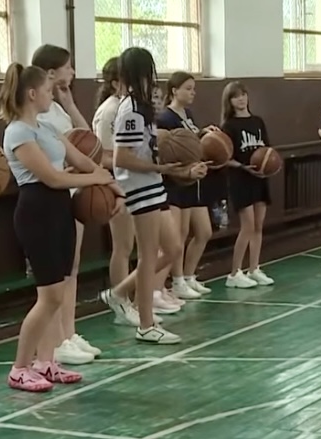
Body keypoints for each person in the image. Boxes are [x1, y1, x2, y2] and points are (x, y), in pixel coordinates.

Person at [0, 62, 120, 392]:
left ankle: (46, 362)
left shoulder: (48, 128)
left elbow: (83, 161)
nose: (52, 95)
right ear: (32, 93)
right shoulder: (17, 132)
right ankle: (19, 368)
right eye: (48, 90)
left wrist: (113, 187)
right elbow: (51, 178)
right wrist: (94, 179)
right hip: (36, 211)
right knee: (48, 295)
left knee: (59, 292)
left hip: (61, 210)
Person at [101, 47, 193, 343]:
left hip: (153, 184)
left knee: (173, 248)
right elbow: (122, 158)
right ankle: (146, 325)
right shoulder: (130, 109)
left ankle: (117, 293)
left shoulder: (143, 106)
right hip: (138, 188)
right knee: (148, 256)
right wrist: (159, 167)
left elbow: (145, 148)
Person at [30, 44, 101, 365]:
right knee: (56, 276)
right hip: (53, 194)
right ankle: (56, 340)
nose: (73, 72)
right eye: (68, 67)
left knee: (72, 268)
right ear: (50, 72)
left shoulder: (58, 108)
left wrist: (70, 103)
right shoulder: (36, 113)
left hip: (72, 192)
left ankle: (68, 333)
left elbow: (88, 140)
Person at [156, 71, 218, 305]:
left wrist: (205, 136)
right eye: (188, 88)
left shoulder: (188, 114)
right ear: (174, 91)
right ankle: (176, 280)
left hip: (194, 179)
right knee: (178, 235)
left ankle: (189, 276)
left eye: (194, 89)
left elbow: (191, 145)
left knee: (204, 231)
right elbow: (169, 150)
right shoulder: (165, 118)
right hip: (176, 181)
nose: (193, 93)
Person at [221, 81, 276, 287]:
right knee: (248, 226)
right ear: (229, 101)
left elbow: (267, 150)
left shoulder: (258, 121)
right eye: (236, 96)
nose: (241, 99)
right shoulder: (228, 126)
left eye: (243, 94)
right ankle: (234, 273)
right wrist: (243, 166)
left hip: (259, 178)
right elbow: (224, 158)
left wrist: (268, 166)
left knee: (259, 225)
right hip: (240, 178)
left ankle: (254, 268)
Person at [93, 57, 136, 293]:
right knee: (123, 246)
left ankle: (139, 295)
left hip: (131, 181)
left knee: (133, 245)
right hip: (115, 183)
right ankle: (121, 297)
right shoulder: (110, 111)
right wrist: (138, 163)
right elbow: (103, 156)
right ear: (116, 82)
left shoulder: (126, 107)